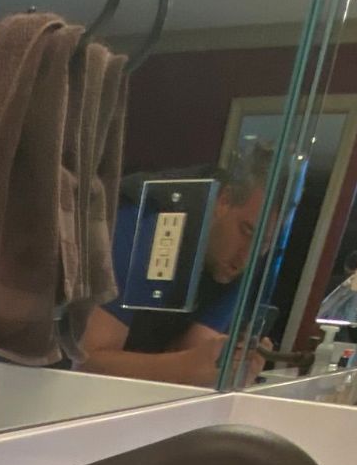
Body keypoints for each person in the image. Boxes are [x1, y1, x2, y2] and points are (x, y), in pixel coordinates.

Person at [79, 146, 274, 388]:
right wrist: (188, 366)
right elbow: (86, 362)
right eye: (246, 231)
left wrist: (228, 365)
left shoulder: (240, 262)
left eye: (264, 243)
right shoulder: (149, 223)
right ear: (223, 201)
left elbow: (195, 357)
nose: (247, 257)